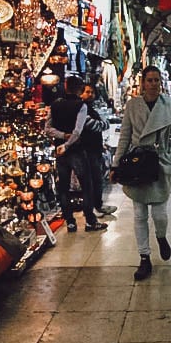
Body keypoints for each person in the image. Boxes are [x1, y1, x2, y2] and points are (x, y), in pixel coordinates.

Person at [110, 66, 171, 281]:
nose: (153, 84)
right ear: (142, 83)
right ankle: (144, 257)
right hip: (137, 164)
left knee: (159, 214)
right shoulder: (133, 105)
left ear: (161, 82)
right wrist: (115, 164)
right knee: (140, 215)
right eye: (149, 80)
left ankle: (161, 236)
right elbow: (125, 136)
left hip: (159, 164)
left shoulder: (169, 105)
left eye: (156, 80)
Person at [45, 75, 109, 233]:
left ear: (65, 86)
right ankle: (90, 221)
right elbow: (78, 131)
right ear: (79, 88)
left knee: (64, 187)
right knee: (87, 186)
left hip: (60, 152)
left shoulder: (55, 105)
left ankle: (70, 222)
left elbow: (47, 129)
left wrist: (61, 137)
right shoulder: (80, 105)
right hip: (76, 150)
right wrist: (68, 143)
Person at [80, 83, 116, 217]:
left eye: (92, 92)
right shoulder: (82, 109)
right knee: (91, 180)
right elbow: (95, 125)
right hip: (87, 150)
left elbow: (104, 123)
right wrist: (102, 124)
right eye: (87, 92)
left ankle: (98, 204)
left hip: (95, 149)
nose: (90, 95)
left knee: (97, 178)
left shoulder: (91, 109)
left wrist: (102, 123)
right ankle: (92, 208)